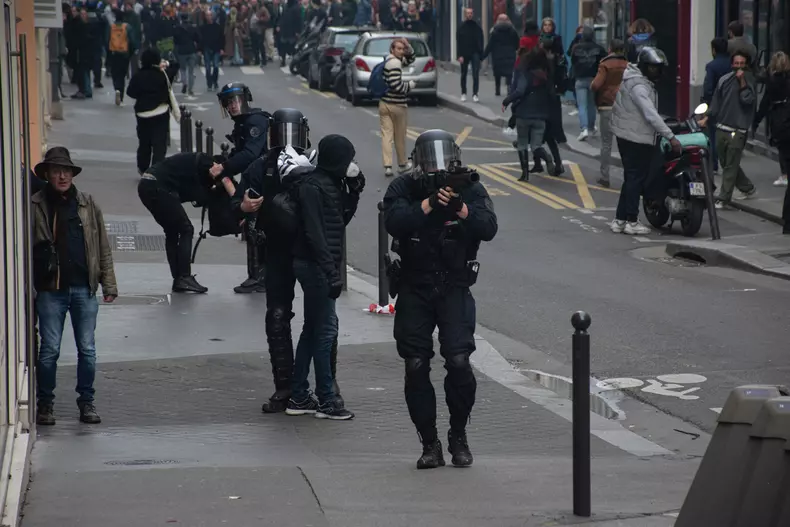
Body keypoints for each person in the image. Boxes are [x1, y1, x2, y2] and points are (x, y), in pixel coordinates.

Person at [383, 129, 498, 469]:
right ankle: (429, 442)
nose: (436, 169)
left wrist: (461, 208)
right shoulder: (404, 187)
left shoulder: (471, 188)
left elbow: (488, 227)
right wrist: (430, 204)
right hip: (415, 287)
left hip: (454, 286)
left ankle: (458, 435)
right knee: (415, 364)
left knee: (460, 361)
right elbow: (394, 221)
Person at [32, 147, 118, 426]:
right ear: (47, 174)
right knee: (49, 350)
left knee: (87, 349)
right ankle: (45, 404)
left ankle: (87, 402)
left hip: (83, 287)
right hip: (50, 289)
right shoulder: (36, 205)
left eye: (66, 171)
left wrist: (109, 283)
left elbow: (102, 246)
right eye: (56, 171)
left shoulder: (87, 204)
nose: (62, 176)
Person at [285, 134, 361, 420]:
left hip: (316, 265)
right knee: (326, 331)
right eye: (349, 159)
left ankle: (299, 395)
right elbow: (316, 234)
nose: (352, 164)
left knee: (313, 329)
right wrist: (331, 273)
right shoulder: (313, 187)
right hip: (315, 266)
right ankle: (327, 399)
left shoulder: (329, 184)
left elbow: (337, 221)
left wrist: (353, 192)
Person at [610, 47, 680, 235]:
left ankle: (620, 220)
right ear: (643, 66)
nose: (656, 72)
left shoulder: (633, 79)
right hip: (635, 137)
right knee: (636, 179)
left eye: (658, 68)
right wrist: (670, 136)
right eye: (652, 68)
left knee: (631, 178)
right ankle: (632, 220)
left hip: (627, 133)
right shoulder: (639, 86)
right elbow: (650, 114)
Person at [138, 152, 228, 293]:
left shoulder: (197, 165)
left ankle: (179, 279)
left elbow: (197, 195)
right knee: (186, 229)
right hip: (158, 187)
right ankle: (184, 277)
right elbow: (200, 195)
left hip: (147, 185)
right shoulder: (206, 163)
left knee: (172, 231)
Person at [211, 82, 271, 293]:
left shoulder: (255, 121)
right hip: (256, 177)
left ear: (245, 100)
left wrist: (224, 168)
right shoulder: (244, 122)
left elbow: (251, 154)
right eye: (229, 103)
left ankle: (260, 277)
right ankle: (256, 275)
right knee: (251, 223)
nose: (234, 106)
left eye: (237, 101)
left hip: (264, 179)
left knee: (255, 225)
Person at [700, 51, 758, 209]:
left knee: (731, 164)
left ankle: (724, 197)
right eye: (736, 63)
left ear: (746, 65)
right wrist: (707, 117)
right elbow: (716, 101)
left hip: (738, 129)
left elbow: (748, 100)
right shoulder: (724, 80)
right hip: (721, 127)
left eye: (742, 64)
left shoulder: (749, 80)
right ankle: (747, 187)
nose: (739, 67)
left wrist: (742, 83)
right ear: (731, 64)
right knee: (726, 163)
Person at [502, 43, 554, 180]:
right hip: (541, 115)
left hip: (524, 114)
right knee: (536, 145)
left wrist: (506, 101)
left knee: (522, 143)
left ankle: (524, 174)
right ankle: (547, 157)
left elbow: (520, 91)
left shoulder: (525, 74)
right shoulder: (546, 76)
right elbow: (551, 95)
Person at [126, 48, 175, 175]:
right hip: (161, 112)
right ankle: (156, 171)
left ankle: (143, 168)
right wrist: (167, 64)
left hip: (142, 113)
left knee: (144, 143)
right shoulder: (162, 74)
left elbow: (130, 92)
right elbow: (175, 66)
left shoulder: (138, 76)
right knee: (159, 144)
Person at [591, 38, 627, 188]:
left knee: (606, 143)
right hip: (623, 107)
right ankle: (628, 177)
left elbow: (596, 85)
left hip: (607, 106)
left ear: (610, 48)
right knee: (625, 144)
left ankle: (605, 177)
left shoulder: (605, 64)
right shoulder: (628, 65)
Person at [754, 51, 790, 194]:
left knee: (782, 146)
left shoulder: (772, 81)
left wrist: (756, 120)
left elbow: (765, 103)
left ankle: (785, 174)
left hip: (778, 116)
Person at [380, 37, 416, 177]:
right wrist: (410, 86)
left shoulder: (388, 60)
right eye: (399, 49)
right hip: (397, 104)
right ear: (392, 49)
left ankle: (388, 166)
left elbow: (411, 58)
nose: (402, 52)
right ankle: (402, 164)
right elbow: (396, 85)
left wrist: (408, 46)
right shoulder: (395, 63)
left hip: (383, 103)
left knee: (386, 135)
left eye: (403, 49)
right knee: (399, 136)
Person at [571, 26, 607, 141]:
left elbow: (573, 61)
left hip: (580, 78)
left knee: (582, 105)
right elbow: (604, 61)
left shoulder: (576, 48)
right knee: (591, 104)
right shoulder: (599, 48)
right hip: (594, 78)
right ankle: (591, 127)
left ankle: (584, 129)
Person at [702, 37, 732, 175]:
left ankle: (714, 164)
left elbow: (708, 88)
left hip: (716, 105)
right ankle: (729, 163)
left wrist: (706, 104)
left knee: (713, 134)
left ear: (714, 50)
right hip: (731, 105)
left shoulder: (712, 66)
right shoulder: (732, 65)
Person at [482, 14, 520, 97]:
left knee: (497, 73)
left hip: (497, 56)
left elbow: (490, 45)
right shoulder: (512, 31)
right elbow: (517, 43)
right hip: (509, 55)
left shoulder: (495, 31)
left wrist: (483, 56)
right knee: (509, 73)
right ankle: (509, 87)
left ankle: (497, 89)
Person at [456, 8, 484, 103]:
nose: (469, 15)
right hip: (464, 53)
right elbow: (458, 42)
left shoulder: (477, 27)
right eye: (468, 13)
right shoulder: (461, 27)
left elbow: (481, 40)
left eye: (471, 13)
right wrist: (459, 55)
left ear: (473, 14)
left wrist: (481, 54)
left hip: (475, 53)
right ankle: (463, 93)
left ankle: (475, 93)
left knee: (475, 74)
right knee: (463, 74)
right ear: (465, 14)